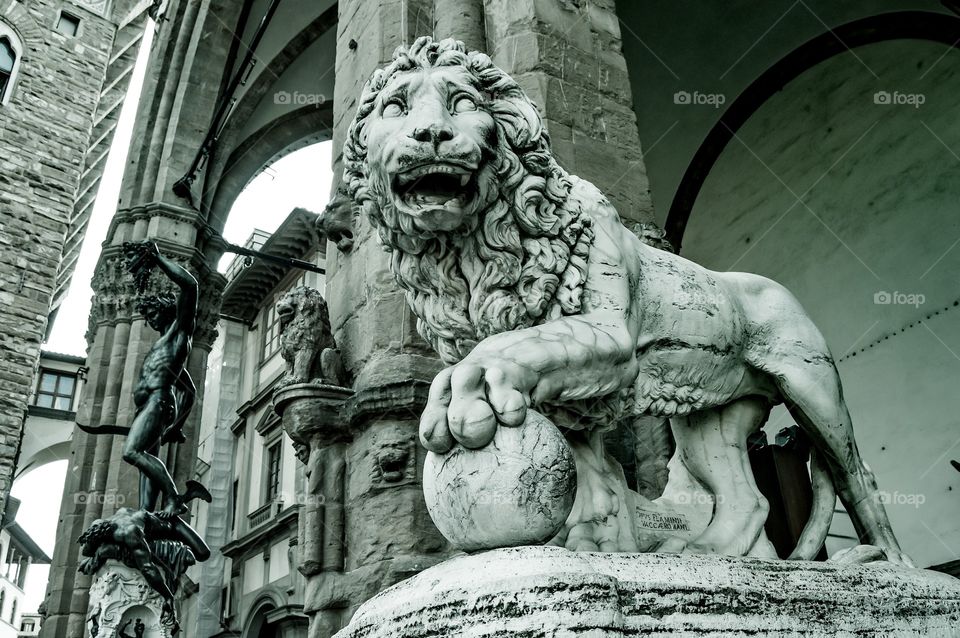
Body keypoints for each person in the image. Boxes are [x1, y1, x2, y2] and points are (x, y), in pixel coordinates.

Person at [122, 241, 204, 513]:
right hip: (152, 406)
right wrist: (178, 424)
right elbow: (189, 391)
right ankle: (146, 513)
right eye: (148, 316)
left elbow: (190, 286)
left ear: (168, 310)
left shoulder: (179, 334)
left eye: (155, 313)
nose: (152, 320)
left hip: (158, 402)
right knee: (147, 460)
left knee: (132, 452)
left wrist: (157, 259)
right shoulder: (162, 346)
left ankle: (172, 498)